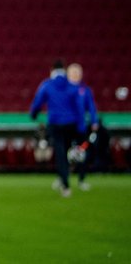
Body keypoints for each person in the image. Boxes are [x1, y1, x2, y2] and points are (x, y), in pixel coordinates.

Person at [30, 60, 80, 197]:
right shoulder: (72, 85)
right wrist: (81, 126)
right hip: (71, 124)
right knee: (68, 151)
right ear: (64, 69)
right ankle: (65, 176)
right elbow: (79, 106)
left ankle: (65, 185)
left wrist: (34, 114)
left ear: (51, 69)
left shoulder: (47, 84)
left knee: (60, 153)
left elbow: (38, 102)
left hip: (56, 123)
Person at [67, 62, 100, 190]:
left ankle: (81, 179)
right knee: (64, 152)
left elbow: (91, 107)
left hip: (80, 127)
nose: (75, 75)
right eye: (73, 72)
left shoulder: (85, 90)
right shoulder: (64, 90)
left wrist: (94, 121)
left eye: (77, 72)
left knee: (82, 152)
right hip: (66, 126)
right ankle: (64, 178)